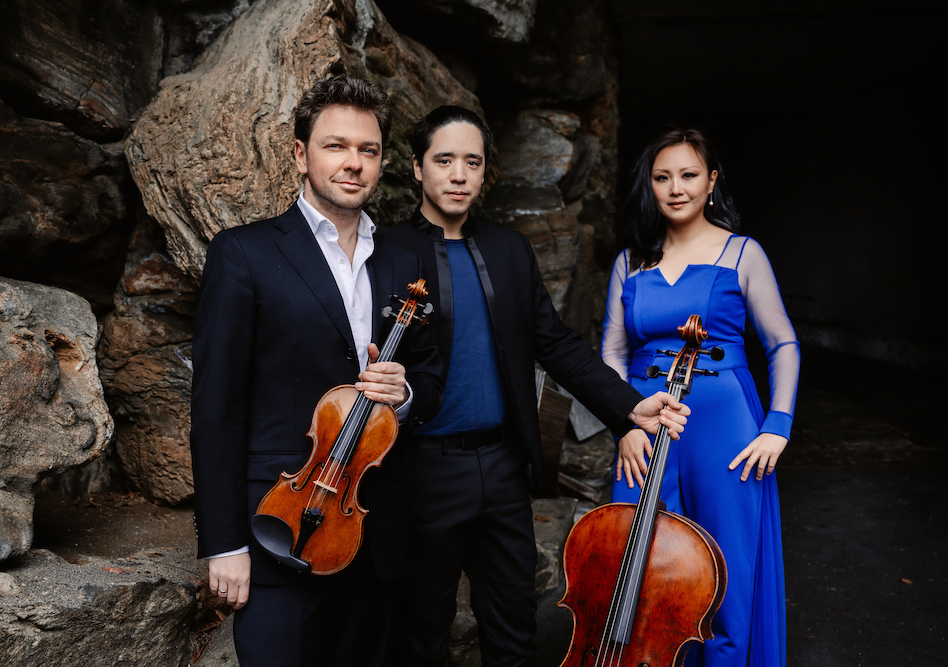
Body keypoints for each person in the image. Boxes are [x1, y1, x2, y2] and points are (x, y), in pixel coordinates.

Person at [379, 105, 692, 667]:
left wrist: (629, 407)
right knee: (421, 633)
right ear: (418, 168)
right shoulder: (385, 252)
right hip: (422, 469)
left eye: (472, 162)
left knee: (515, 630)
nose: (458, 175)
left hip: (503, 468)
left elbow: (557, 343)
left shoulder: (509, 249)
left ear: (485, 171)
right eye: (444, 161)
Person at [189, 74, 442, 667]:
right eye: (336, 146)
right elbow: (216, 408)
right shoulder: (244, 252)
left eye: (368, 149)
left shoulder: (405, 260)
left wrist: (404, 393)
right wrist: (224, 543)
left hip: (373, 533)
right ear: (302, 156)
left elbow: (432, 378)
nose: (353, 162)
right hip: (280, 526)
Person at [602, 126, 800, 666]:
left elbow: (782, 343)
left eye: (688, 175)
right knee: (641, 574)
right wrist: (622, 424)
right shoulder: (629, 262)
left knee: (727, 573)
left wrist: (778, 425)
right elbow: (612, 353)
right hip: (643, 432)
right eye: (662, 177)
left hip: (725, 427)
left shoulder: (743, 253)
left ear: (711, 181)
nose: (676, 188)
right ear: (649, 185)